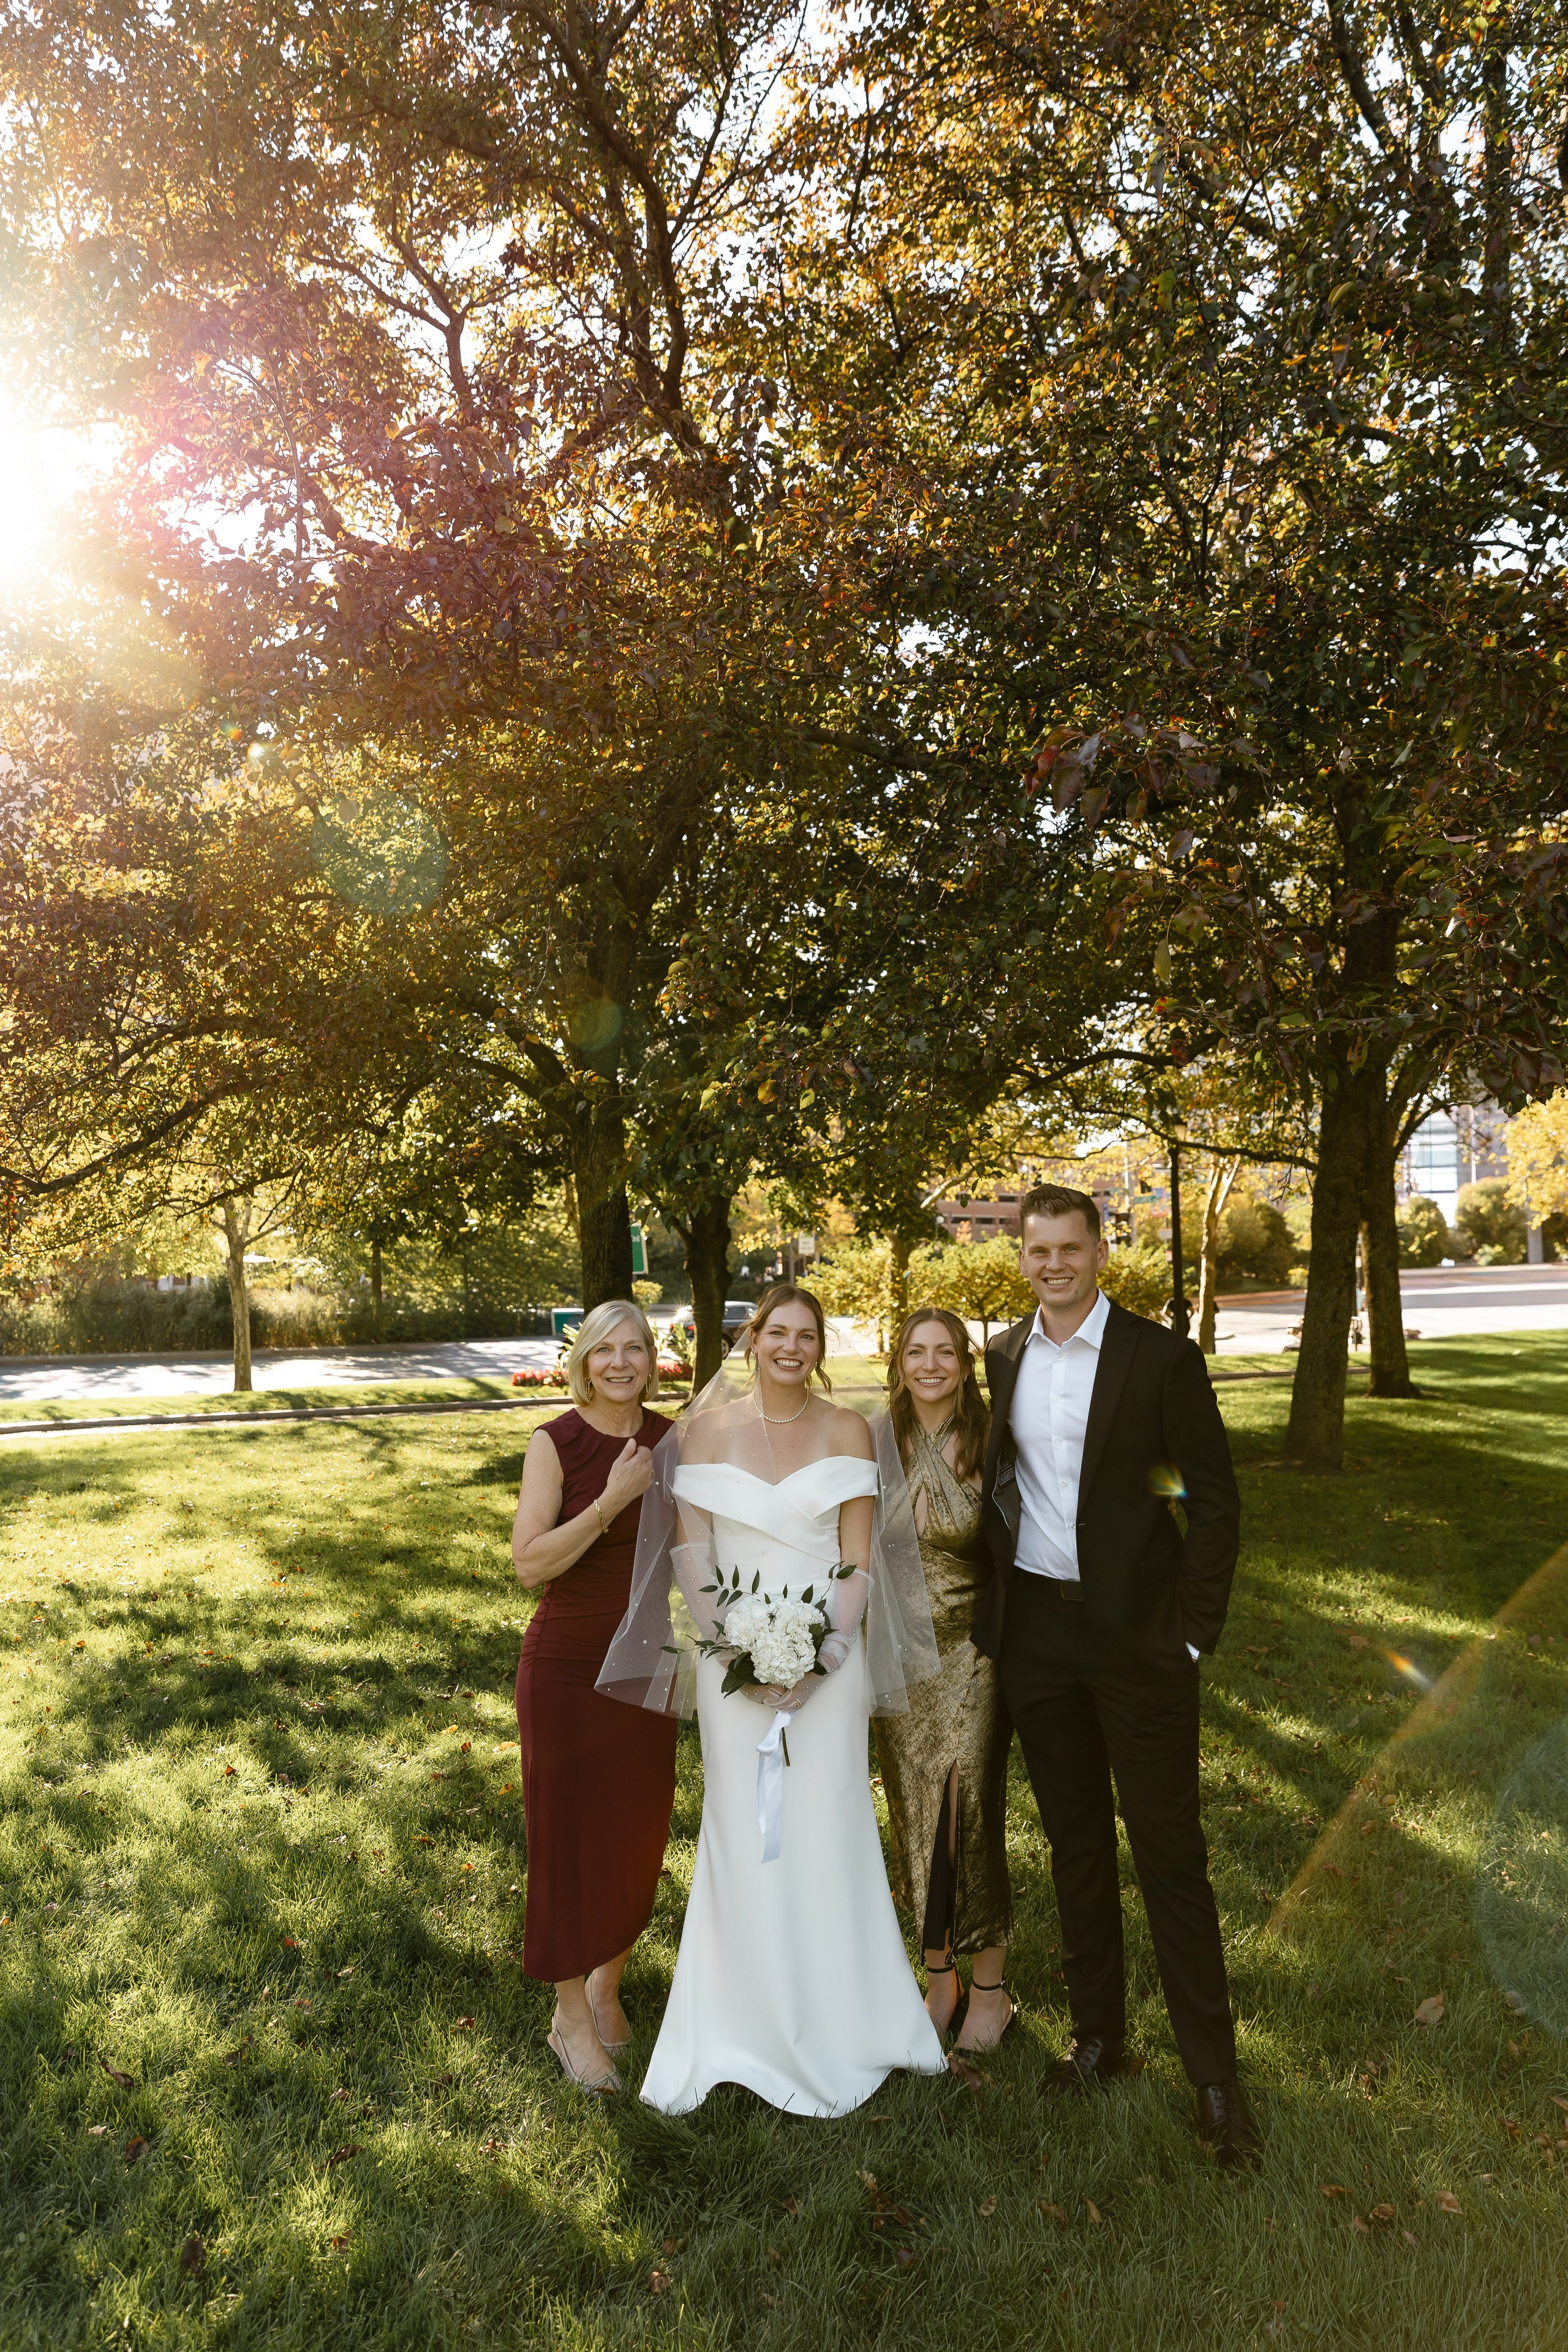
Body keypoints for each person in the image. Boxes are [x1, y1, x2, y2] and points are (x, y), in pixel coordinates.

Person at [597, 1283, 946, 2117]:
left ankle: (848, 2016)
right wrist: (734, 1654)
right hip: (734, 1669)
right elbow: (693, 1554)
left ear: (820, 1349)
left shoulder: (847, 1428)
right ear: (751, 1339)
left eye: (807, 1336)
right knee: (744, 1827)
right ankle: (739, 2018)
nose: (791, 1347)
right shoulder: (701, 1433)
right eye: (777, 1332)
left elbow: (858, 1558)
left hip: (831, 1659)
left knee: (829, 1822)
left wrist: (823, 1656)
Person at [973, 1184, 1259, 2167]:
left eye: (1071, 1246)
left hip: (1139, 1644)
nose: (1054, 1263)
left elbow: (1209, 1502)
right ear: (1021, 1259)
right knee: (1077, 1848)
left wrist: (1188, 1634)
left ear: (1102, 1250)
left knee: (1170, 1855)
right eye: (1038, 1249)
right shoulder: (1002, 1355)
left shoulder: (1160, 1361)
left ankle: (1215, 2081)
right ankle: (1100, 2039)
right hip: (1038, 1647)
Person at [511, 1300, 677, 2095]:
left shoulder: (672, 1440)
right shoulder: (557, 1442)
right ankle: (569, 2018)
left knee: (638, 1838)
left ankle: (608, 1986)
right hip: (568, 1669)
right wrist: (611, 1501)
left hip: (646, 1666)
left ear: (653, 1360)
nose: (620, 1363)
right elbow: (531, 1564)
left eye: (635, 1349)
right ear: (583, 1361)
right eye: (605, 1350)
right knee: (570, 1844)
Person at [873, 1309, 1014, 2049]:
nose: (930, 1364)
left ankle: (989, 1991)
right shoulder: (872, 1441)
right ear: (897, 1362)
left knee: (969, 1811)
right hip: (897, 1656)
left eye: (944, 1353)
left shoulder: (993, 1440)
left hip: (975, 1655)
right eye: (915, 1352)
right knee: (916, 1817)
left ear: (963, 1363)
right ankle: (939, 1983)